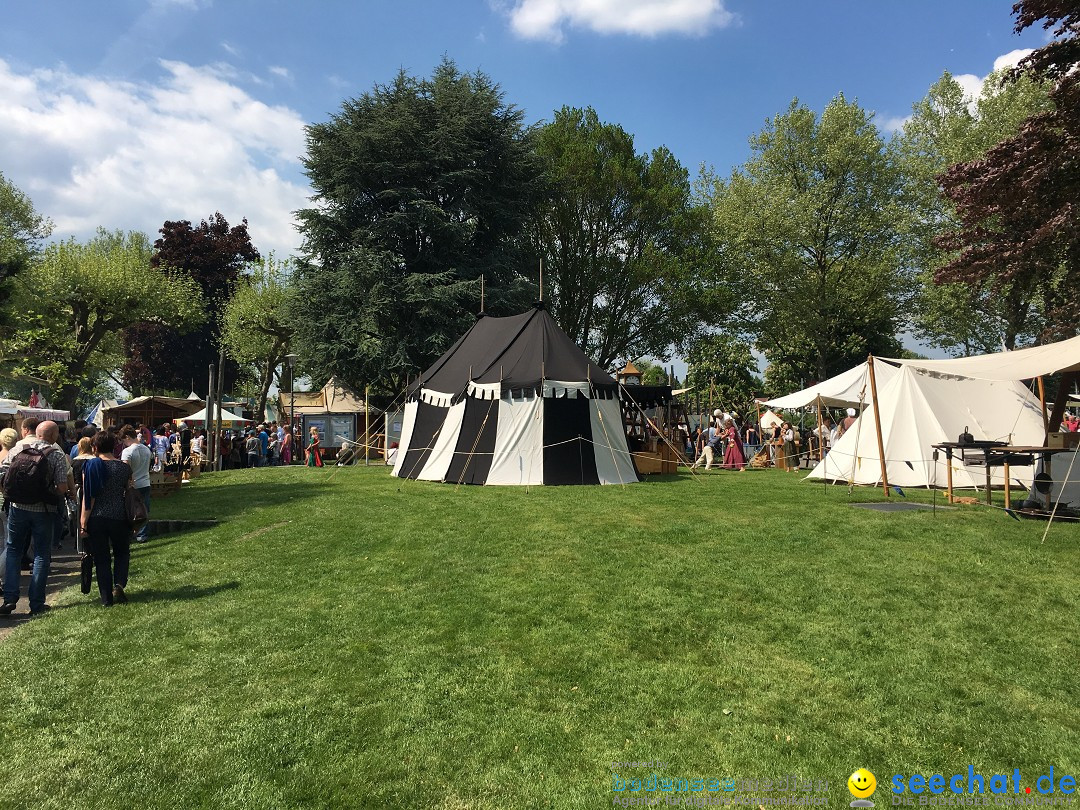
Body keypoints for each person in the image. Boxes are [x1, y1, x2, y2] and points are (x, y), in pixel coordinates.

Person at [0, 421, 70, 616]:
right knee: (41, 554)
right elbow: (62, 487)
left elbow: (2, 475)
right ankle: (36, 603)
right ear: (54, 436)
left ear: (36, 433)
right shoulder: (55, 454)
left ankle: (9, 599)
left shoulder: (18, 448)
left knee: (13, 550)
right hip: (44, 510)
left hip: (17, 508)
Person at [80, 431, 133, 606]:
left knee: (102, 558)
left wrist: (83, 521)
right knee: (122, 553)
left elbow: (90, 496)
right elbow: (128, 490)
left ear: (95, 447)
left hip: (97, 516)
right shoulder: (125, 467)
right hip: (120, 515)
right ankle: (118, 584)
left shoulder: (92, 465)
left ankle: (106, 598)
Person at [120, 425, 152, 543]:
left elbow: (125, 470)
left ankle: (131, 533)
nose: (124, 443)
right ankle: (142, 534)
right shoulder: (146, 449)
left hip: (133, 484)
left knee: (130, 510)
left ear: (127, 437)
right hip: (146, 482)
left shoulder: (127, 452)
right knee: (144, 509)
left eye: (123, 440)